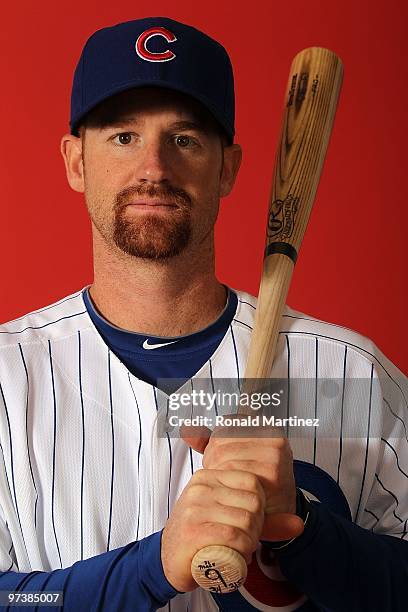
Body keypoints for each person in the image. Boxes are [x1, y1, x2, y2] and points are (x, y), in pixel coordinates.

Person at [0, 16, 406, 612]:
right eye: (122, 136)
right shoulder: (9, 378)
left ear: (228, 168)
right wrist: (152, 567)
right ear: (75, 162)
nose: (154, 168)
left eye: (184, 138)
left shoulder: (347, 375)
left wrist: (306, 533)